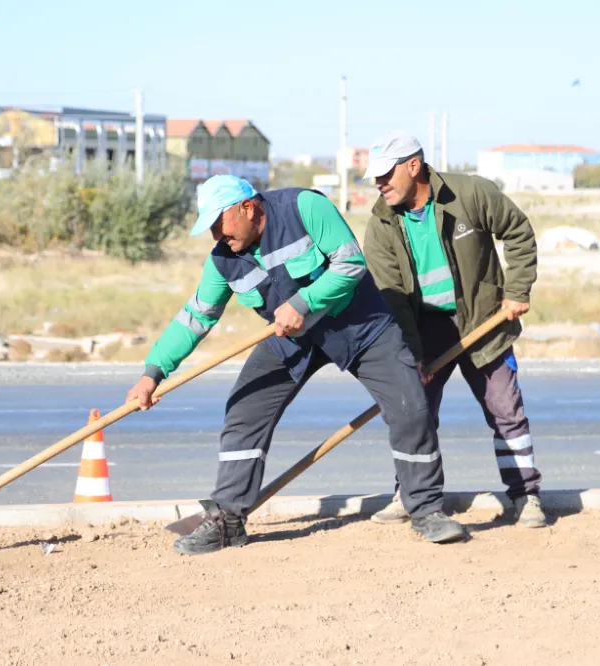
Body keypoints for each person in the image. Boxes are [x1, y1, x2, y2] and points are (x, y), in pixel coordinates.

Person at [127, 174, 468, 555]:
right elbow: (195, 317)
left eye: (218, 223)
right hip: (293, 339)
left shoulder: (304, 207)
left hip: (361, 326)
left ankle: (426, 510)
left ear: (248, 206)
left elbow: (351, 263)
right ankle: (228, 519)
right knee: (244, 409)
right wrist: (152, 372)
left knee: (411, 408)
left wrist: (304, 303)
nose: (216, 237)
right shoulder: (223, 259)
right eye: (208, 228)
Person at [360, 132, 546, 528]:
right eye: (374, 177)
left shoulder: (470, 193)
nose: (379, 184)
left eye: (385, 174)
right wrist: (411, 356)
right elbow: (390, 298)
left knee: (505, 410)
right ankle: (409, 495)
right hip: (424, 329)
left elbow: (517, 231)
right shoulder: (381, 223)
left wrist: (516, 291)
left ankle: (525, 496)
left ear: (414, 166)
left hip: (483, 322)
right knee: (414, 415)